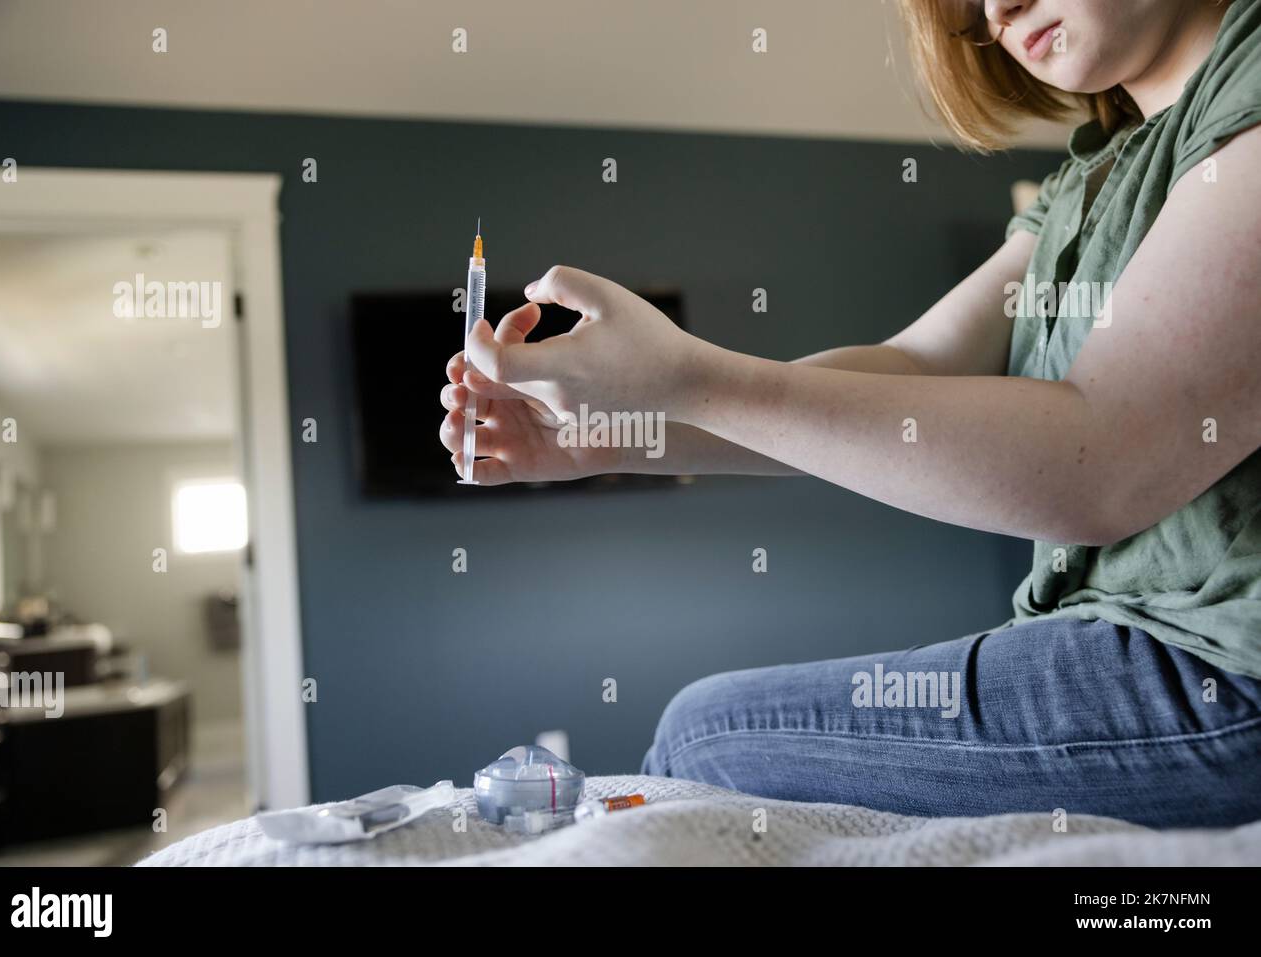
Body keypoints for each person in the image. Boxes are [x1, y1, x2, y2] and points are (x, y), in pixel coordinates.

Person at [440, 0, 1261, 828]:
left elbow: (1106, 457)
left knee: (703, 736)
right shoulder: (1092, 178)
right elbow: (912, 370)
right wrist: (616, 428)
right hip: (1141, 653)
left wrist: (686, 376)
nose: (998, 10)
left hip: (1228, 673)